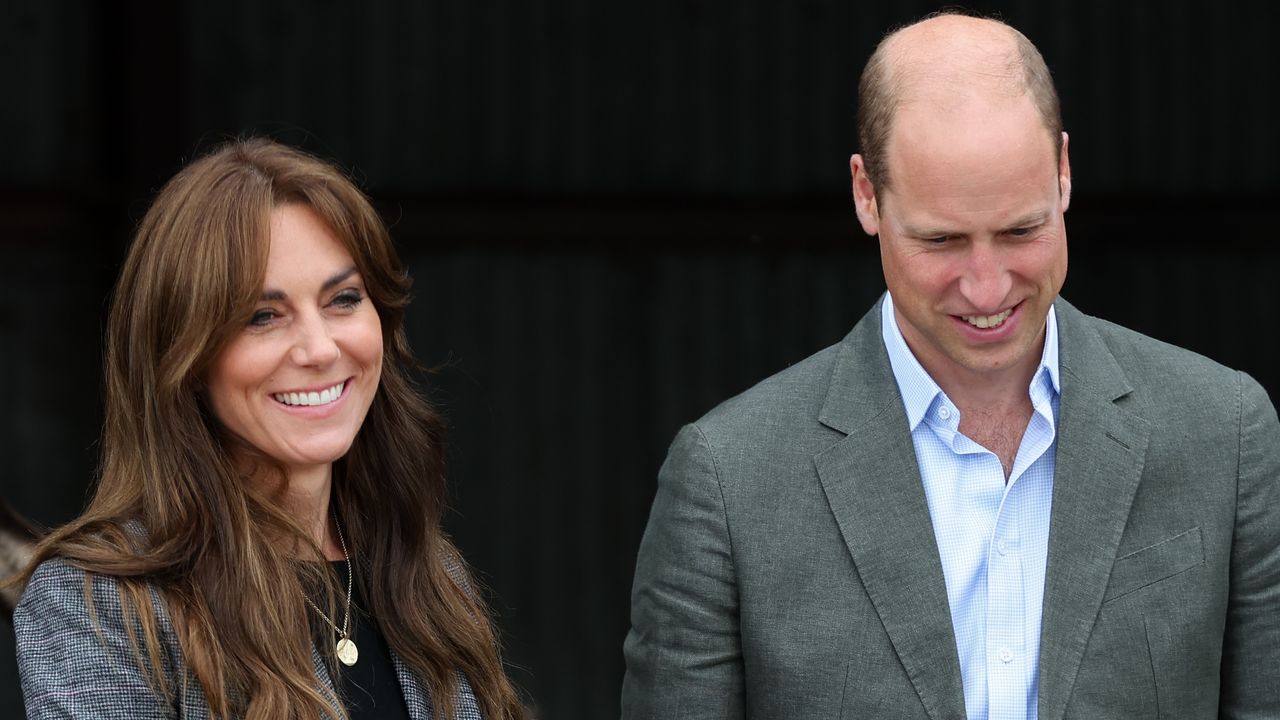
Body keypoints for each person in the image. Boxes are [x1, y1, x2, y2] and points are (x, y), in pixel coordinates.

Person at [622, 11, 1280, 720]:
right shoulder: (728, 479)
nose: (987, 286)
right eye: (941, 240)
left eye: (1021, 230)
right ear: (866, 195)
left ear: (1063, 172)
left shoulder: (1224, 433)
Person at [8, 138, 525, 719]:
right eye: (262, 316)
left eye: (343, 299)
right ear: (186, 357)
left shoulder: (426, 573)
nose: (319, 348)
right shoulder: (97, 604)